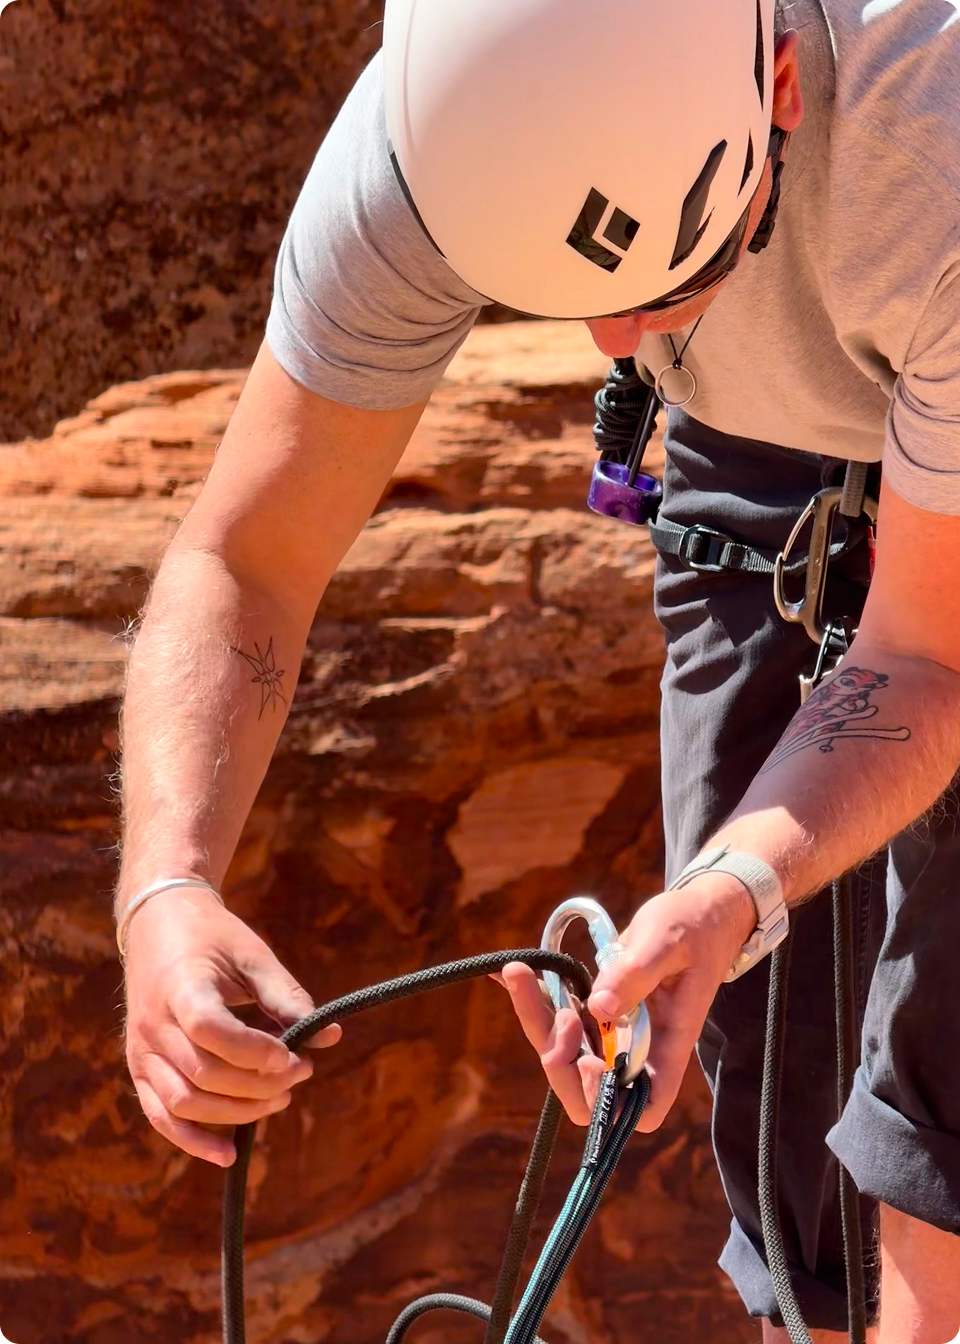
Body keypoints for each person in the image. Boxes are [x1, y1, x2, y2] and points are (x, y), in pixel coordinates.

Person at [114, 0, 960, 1340]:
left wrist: (738, 881)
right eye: (565, 304)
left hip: (927, 314)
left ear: (781, 85)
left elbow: (927, 656)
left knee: (936, 1143)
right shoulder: (435, 138)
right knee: (770, 1117)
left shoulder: (935, 135)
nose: (620, 347)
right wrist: (166, 886)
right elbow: (245, 561)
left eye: (663, 286)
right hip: (756, 437)